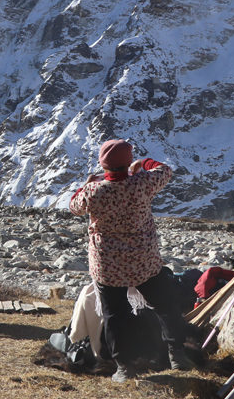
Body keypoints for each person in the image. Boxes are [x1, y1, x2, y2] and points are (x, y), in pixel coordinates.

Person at [69, 139, 188, 383]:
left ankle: (123, 366)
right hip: (144, 262)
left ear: (104, 165)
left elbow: (74, 206)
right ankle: (177, 354)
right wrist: (141, 164)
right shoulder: (143, 183)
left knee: (115, 316)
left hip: (108, 266)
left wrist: (86, 185)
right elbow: (165, 169)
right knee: (166, 306)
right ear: (126, 162)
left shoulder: (94, 191)